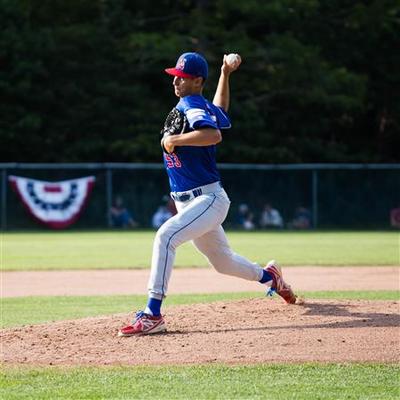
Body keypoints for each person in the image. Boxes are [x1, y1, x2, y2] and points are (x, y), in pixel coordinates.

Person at [118, 52, 297, 337]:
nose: (176, 81)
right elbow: (219, 111)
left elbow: (214, 134)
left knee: (165, 236)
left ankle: (153, 314)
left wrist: (174, 139)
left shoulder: (191, 105)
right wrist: (225, 74)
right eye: (175, 75)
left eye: (183, 77)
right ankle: (270, 277)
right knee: (222, 262)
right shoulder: (195, 104)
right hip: (191, 201)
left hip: (207, 199)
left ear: (198, 81)